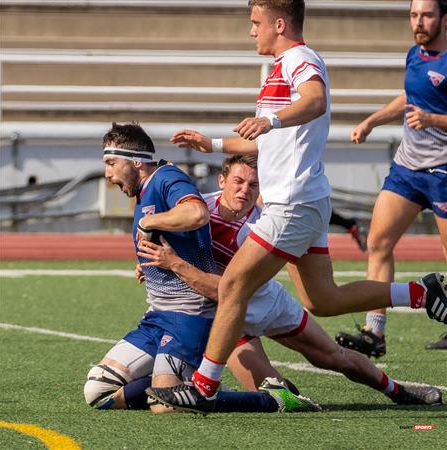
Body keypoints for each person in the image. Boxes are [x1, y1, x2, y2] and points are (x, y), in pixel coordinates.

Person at [146, 0, 447, 413]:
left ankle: (203, 387)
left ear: (280, 24)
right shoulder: (277, 71)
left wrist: (271, 121)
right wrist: (212, 144)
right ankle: (420, 291)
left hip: (292, 204)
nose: (252, 31)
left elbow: (316, 99)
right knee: (322, 301)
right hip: (304, 202)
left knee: (234, 285)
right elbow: (263, 140)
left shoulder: (299, 58)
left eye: (256, 23)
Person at [143, 155, 442, 409]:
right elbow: (163, 236)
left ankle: (398, 391)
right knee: (273, 396)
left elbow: (224, 289)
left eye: (253, 185)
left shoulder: (260, 228)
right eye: (238, 181)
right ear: (221, 181)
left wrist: (174, 264)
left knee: (333, 357)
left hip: (265, 302)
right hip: (225, 317)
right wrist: (148, 264)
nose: (244, 190)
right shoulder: (198, 210)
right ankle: (291, 396)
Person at [84, 121, 314, 414]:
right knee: (98, 391)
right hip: (157, 316)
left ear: (135, 161)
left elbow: (197, 213)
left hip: (189, 317)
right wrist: (147, 263)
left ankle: (272, 400)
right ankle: (186, 383)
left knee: (164, 405)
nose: (107, 173)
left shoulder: (166, 177)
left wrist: (147, 223)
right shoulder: (145, 188)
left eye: (111, 163)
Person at [336, 0, 447, 357]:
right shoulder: (415, 54)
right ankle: (374, 332)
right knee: (379, 241)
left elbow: (427, 111)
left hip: (443, 171)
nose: (419, 22)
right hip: (407, 169)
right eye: (414, 15)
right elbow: (409, 97)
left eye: (427, 15)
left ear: (445, 18)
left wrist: (432, 120)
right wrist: (372, 120)